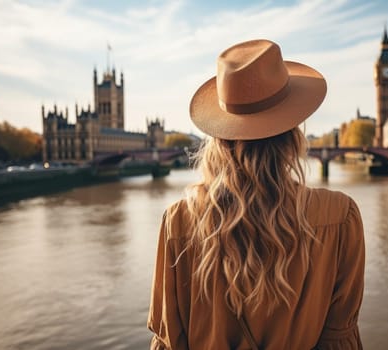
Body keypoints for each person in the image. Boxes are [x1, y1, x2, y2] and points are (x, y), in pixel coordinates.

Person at [148, 39, 365, 350]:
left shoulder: (179, 222)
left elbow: (168, 342)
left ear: (218, 138)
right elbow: (339, 342)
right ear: (293, 132)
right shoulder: (340, 217)